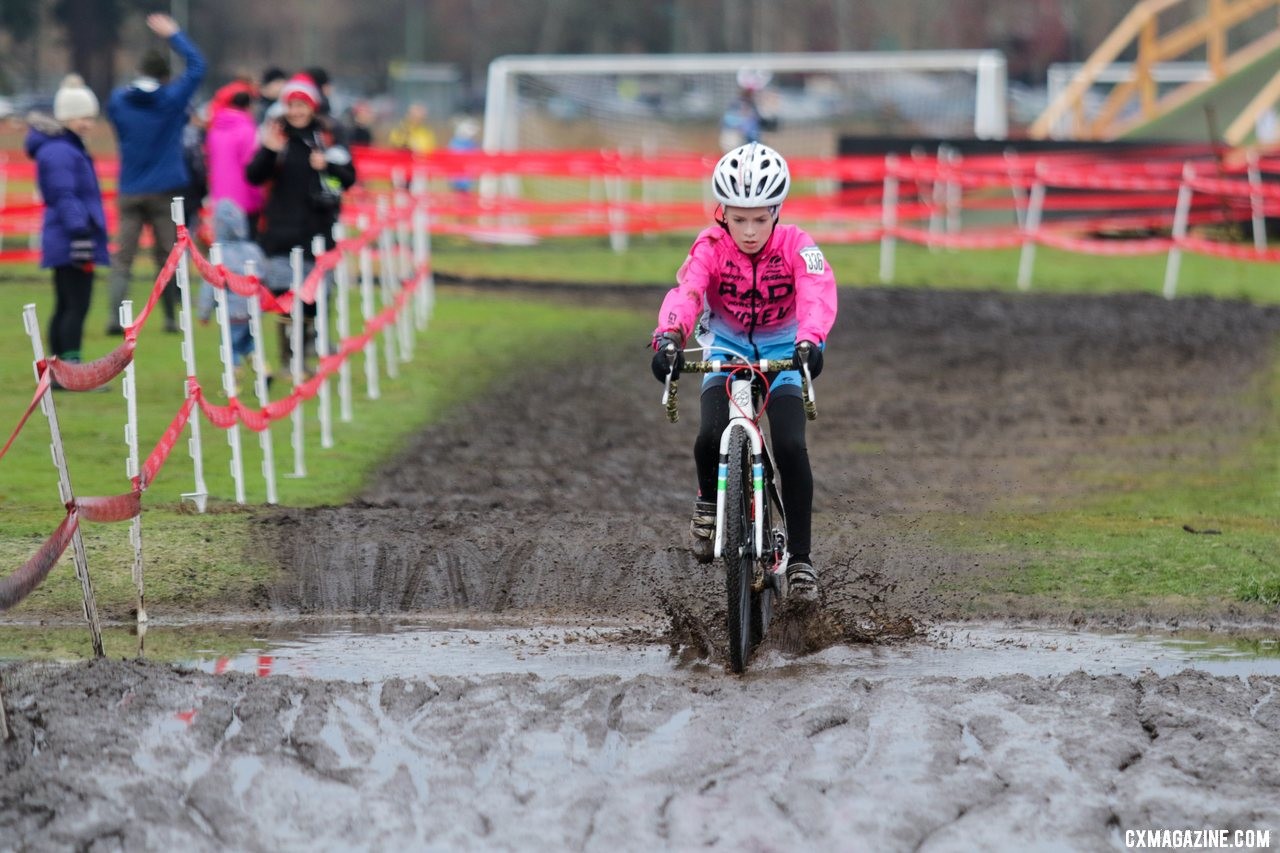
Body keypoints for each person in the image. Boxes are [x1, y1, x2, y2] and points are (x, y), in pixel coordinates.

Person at [649, 142, 836, 601]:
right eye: (738, 218)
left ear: (776, 211)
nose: (749, 231)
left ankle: (801, 561)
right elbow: (688, 292)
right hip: (726, 349)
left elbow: (817, 291)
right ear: (722, 213)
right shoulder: (710, 246)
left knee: (791, 445)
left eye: (760, 218)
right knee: (709, 435)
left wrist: (811, 340)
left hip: (784, 350)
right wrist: (670, 338)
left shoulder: (798, 245)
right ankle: (709, 504)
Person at [245, 73, 355, 376]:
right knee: (283, 299)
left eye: (301, 105)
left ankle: (305, 354)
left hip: (317, 231)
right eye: (291, 105)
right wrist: (268, 149)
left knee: (311, 299)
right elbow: (253, 177)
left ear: (312, 107)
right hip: (280, 232)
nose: (296, 111)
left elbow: (349, 179)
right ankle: (286, 360)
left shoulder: (328, 137)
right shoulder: (275, 136)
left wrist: (328, 165)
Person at [104, 12, 206, 335]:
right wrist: (174, 35)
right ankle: (171, 318)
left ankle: (113, 318)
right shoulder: (171, 100)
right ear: (164, 77)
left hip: (131, 187)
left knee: (124, 257)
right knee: (169, 256)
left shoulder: (119, 101)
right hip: (166, 189)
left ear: (138, 72)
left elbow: (118, 126)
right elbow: (198, 67)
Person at [25, 76, 110, 386]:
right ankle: (70, 371)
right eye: (83, 117)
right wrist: (80, 230)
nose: (88, 123)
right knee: (75, 304)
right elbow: (65, 194)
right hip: (72, 236)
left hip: (67, 235)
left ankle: (60, 371)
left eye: (90, 116)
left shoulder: (64, 148)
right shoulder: (61, 151)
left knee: (66, 303)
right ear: (67, 117)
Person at [197, 199, 268, 394]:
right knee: (249, 341)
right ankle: (260, 365)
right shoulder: (253, 250)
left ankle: (234, 378)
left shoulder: (218, 254)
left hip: (230, 312)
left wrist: (204, 312)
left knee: (231, 346)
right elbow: (264, 275)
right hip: (252, 309)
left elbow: (208, 287)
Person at [205, 81, 264, 237]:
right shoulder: (247, 130)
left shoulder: (214, 129)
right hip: (245, 202)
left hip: (220, 200)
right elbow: (252, 165)